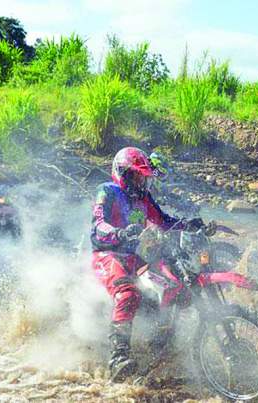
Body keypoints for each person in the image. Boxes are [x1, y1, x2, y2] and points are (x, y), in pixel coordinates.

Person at [90, 147, 198, 382]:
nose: (141, 182)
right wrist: (119, 233)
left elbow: (163, 220)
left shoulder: (143, 198)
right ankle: (118, 358)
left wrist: (188, 225)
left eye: (144, 177)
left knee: (169, 289)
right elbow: (98, 227)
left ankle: (160, 344)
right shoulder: (107, 192)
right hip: (107, 255)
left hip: (134, 258)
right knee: (128, 295)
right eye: (137, 176)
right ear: (123, 173)